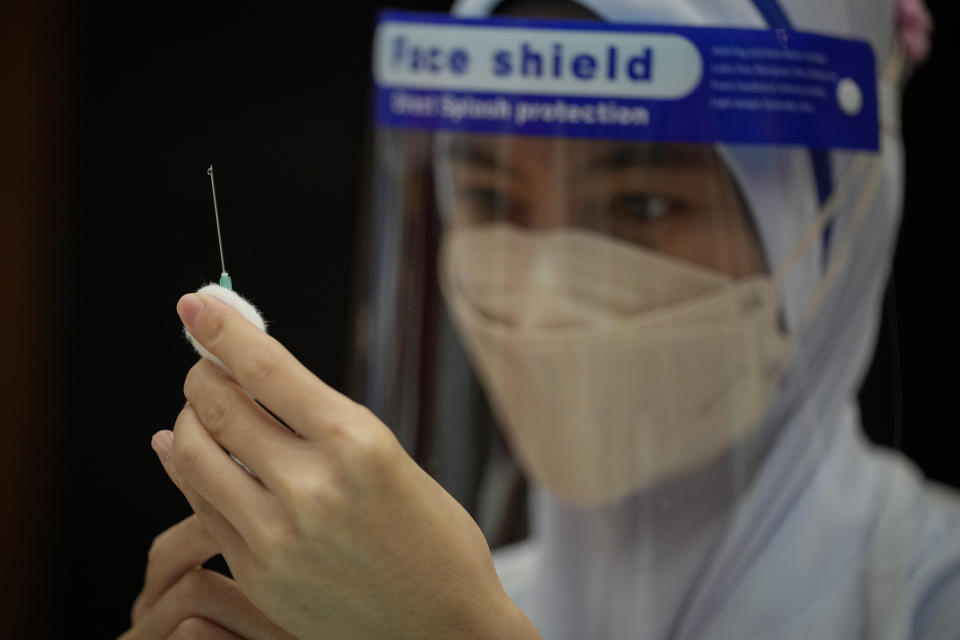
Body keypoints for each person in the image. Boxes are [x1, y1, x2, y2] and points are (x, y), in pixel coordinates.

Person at [122, 0, 960, 638]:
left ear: (829, 232)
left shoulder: (933, 595)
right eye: (488, 195)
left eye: (639, 202)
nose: (547, 283)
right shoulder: (377, 601)